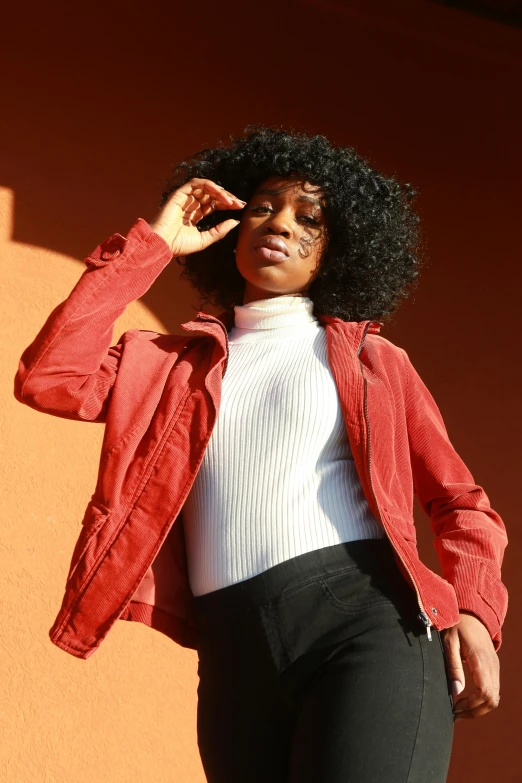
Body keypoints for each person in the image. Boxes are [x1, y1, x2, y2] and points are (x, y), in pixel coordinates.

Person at [14, 127, 508, 783]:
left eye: (310, 219)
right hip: (232, 652)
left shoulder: (374, 364)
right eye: (263, 205)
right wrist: (155, 243)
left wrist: (475, 613)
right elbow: (48, 376)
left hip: (366, 626)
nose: (279, 223)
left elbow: (460, 502)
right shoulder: (166, 365)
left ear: (335, 252)